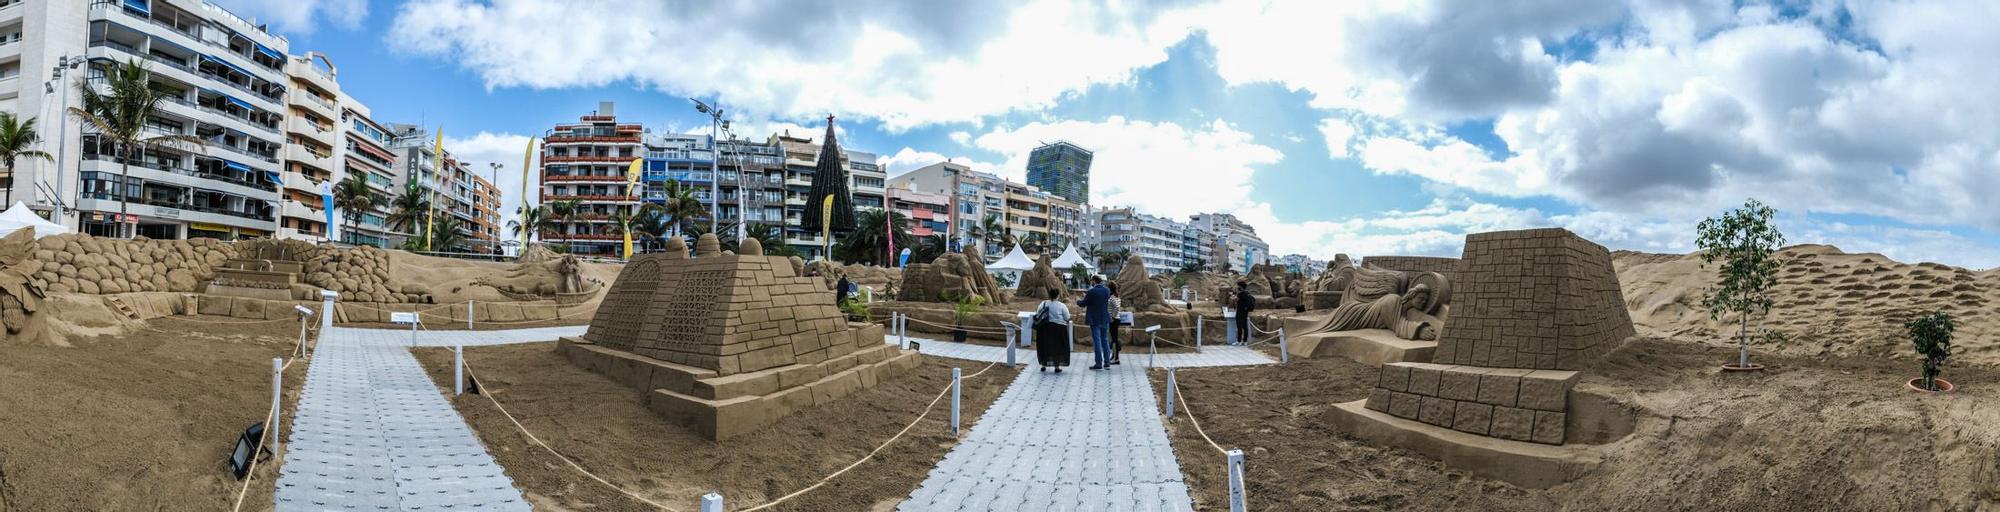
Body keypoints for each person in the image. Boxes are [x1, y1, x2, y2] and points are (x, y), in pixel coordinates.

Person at [1077, 275, 1113, 370]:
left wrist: (1078, 301)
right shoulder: (1107, 290)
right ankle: (1107, 363)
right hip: (1105, 318)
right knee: (1105, 340)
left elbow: (1084, 303)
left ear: (1094, 281)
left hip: (1094, 319)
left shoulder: (1091, 291)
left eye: (1091, 281)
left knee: (1097, 341)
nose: (1091, 282)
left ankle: (1098, 363)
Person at [1032, 288, 1072, 372]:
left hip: (1044, 329)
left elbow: (1038, 313)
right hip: (1059, 329)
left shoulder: (1043, 303)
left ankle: (1043, 365)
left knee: (1045, 346)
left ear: (1049, 294)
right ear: (1058, 295)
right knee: (1058, 348)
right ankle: (1056, 367)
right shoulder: (1061, 305)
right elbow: (1067, 317)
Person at [1106, 281, 1123, 365]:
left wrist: (1112, 316)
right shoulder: (1117, 296)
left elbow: (1116, 307)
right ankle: (1114, 356)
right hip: (1116, 319)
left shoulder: (1112, 297)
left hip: (1114, 320)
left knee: (1114, 339)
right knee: (1113, 339)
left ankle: (1116, 358)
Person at [1234, 281, 1255, 346]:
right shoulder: (1248, 293)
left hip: (1240, 311)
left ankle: (1239, 341)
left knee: (1239, 326)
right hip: (1245, 311)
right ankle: (1245, 341)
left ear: (1240, 287)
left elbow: (1235, 300)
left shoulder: (1240, 294)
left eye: (1238, 286)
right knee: (1245, 326)